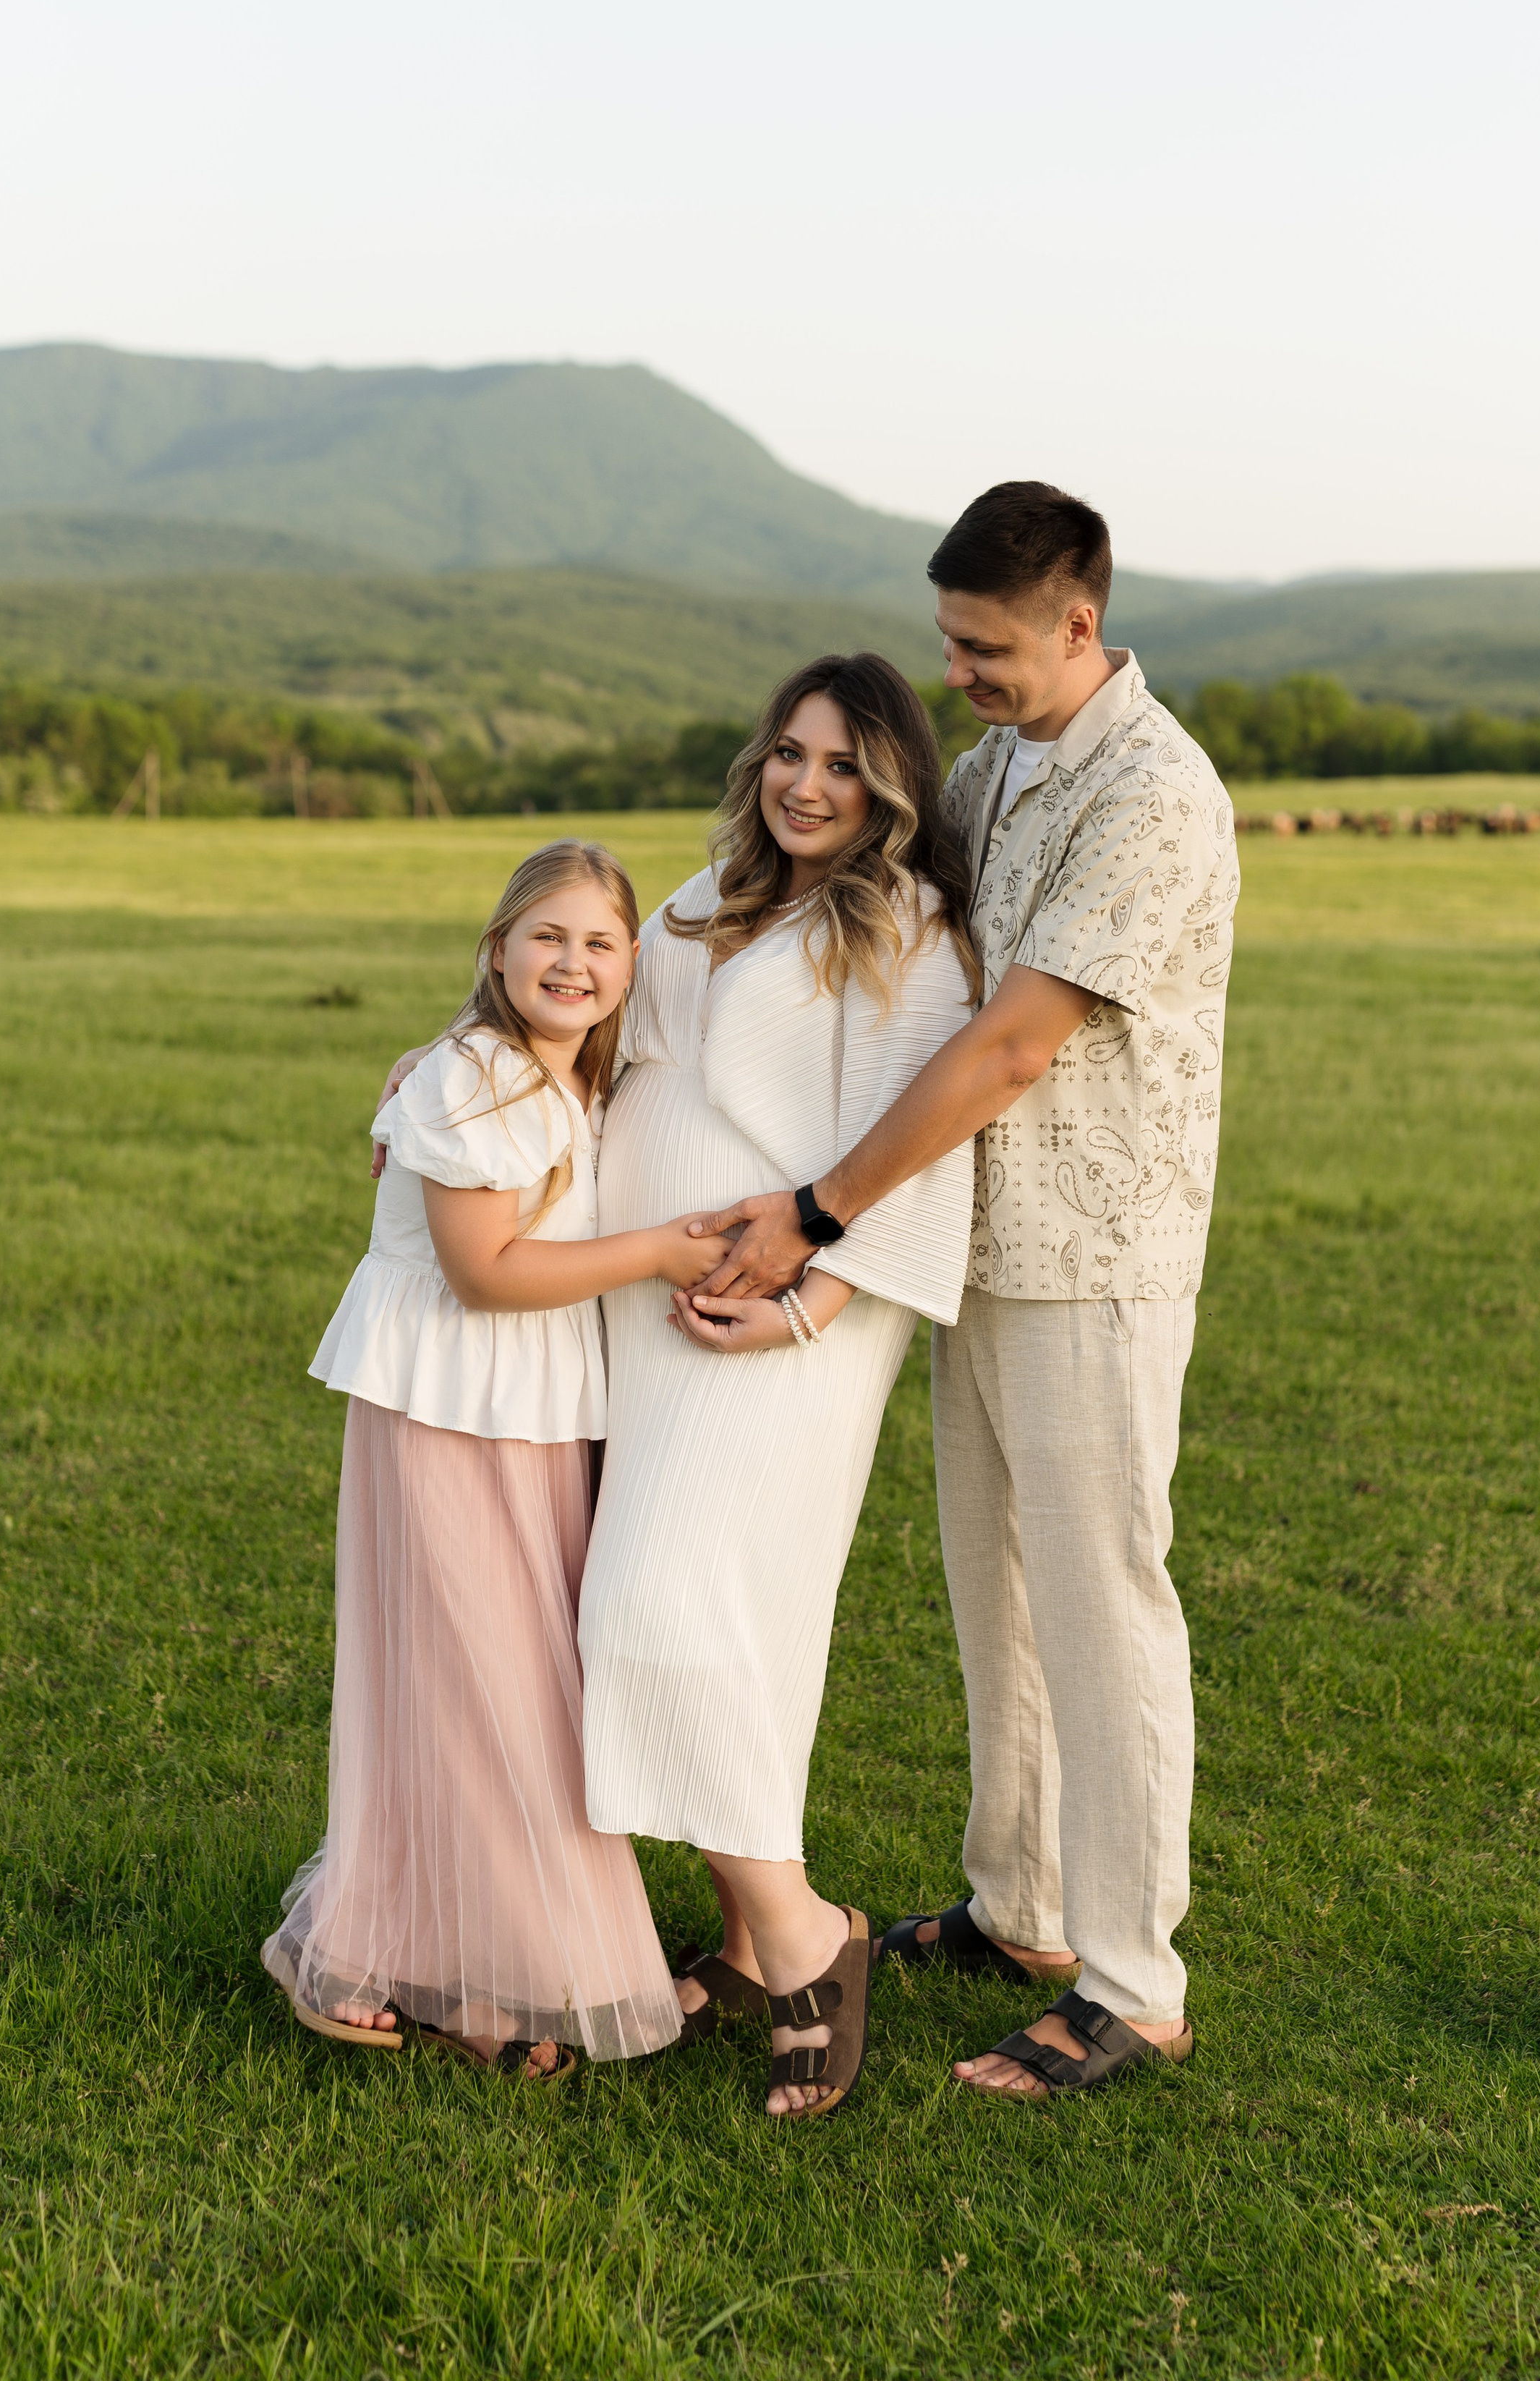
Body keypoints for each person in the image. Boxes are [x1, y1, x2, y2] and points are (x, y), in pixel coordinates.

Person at [689, 484, 1240, 2101]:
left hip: (1098, 1258)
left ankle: (1135, 1987)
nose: (960, 674)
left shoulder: (1155, 793)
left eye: (985, 647)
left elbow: (1008, 1041)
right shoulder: (990, 772)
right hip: (975, 1249)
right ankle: (1025, 1910)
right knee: (992, 1593)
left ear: (1079, 622)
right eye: (948, 642)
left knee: (1102, 1605)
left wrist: (815, 1213)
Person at [577, 654, 981, 2118]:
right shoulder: (701, 895)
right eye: (790, 754)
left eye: (845, 765)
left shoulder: (913, 933)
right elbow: (586, 1026)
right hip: (648, 1306)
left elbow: (932, 1144)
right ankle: (749, 1943)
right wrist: (441, 1086)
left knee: (655, 1602)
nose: (806, 784)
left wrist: (809, 1299)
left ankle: (811, 1934)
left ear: (891, 789)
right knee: (719, 1619)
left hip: (787, 1321)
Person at [263, 839, 732, 2077]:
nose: (573, 963)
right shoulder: (470, 1078)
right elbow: (484, 1273)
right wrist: (663, 1251)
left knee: (516, 1687)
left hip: (530, 1413)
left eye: (599, 944)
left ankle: (479, 1956)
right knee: (472, 1685)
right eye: (547, 937)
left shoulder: (572, 1075)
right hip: (447, 1410)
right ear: (497, 951)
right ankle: (411, 1959)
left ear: (633, 965)